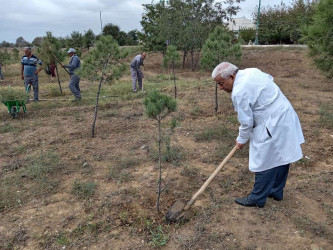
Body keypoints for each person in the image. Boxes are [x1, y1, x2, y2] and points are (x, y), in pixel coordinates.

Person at [212, 62, 304, 208]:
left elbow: (246, 122)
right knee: (282, 154)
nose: (221, 88)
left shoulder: (239, 92)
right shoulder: (251, 71)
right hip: (284, 112)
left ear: (231, 76)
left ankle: (257, 198)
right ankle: (275, 191)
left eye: (222, 83)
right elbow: (269, 79)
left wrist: (241, 140)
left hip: (274, 120)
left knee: (264, 160)